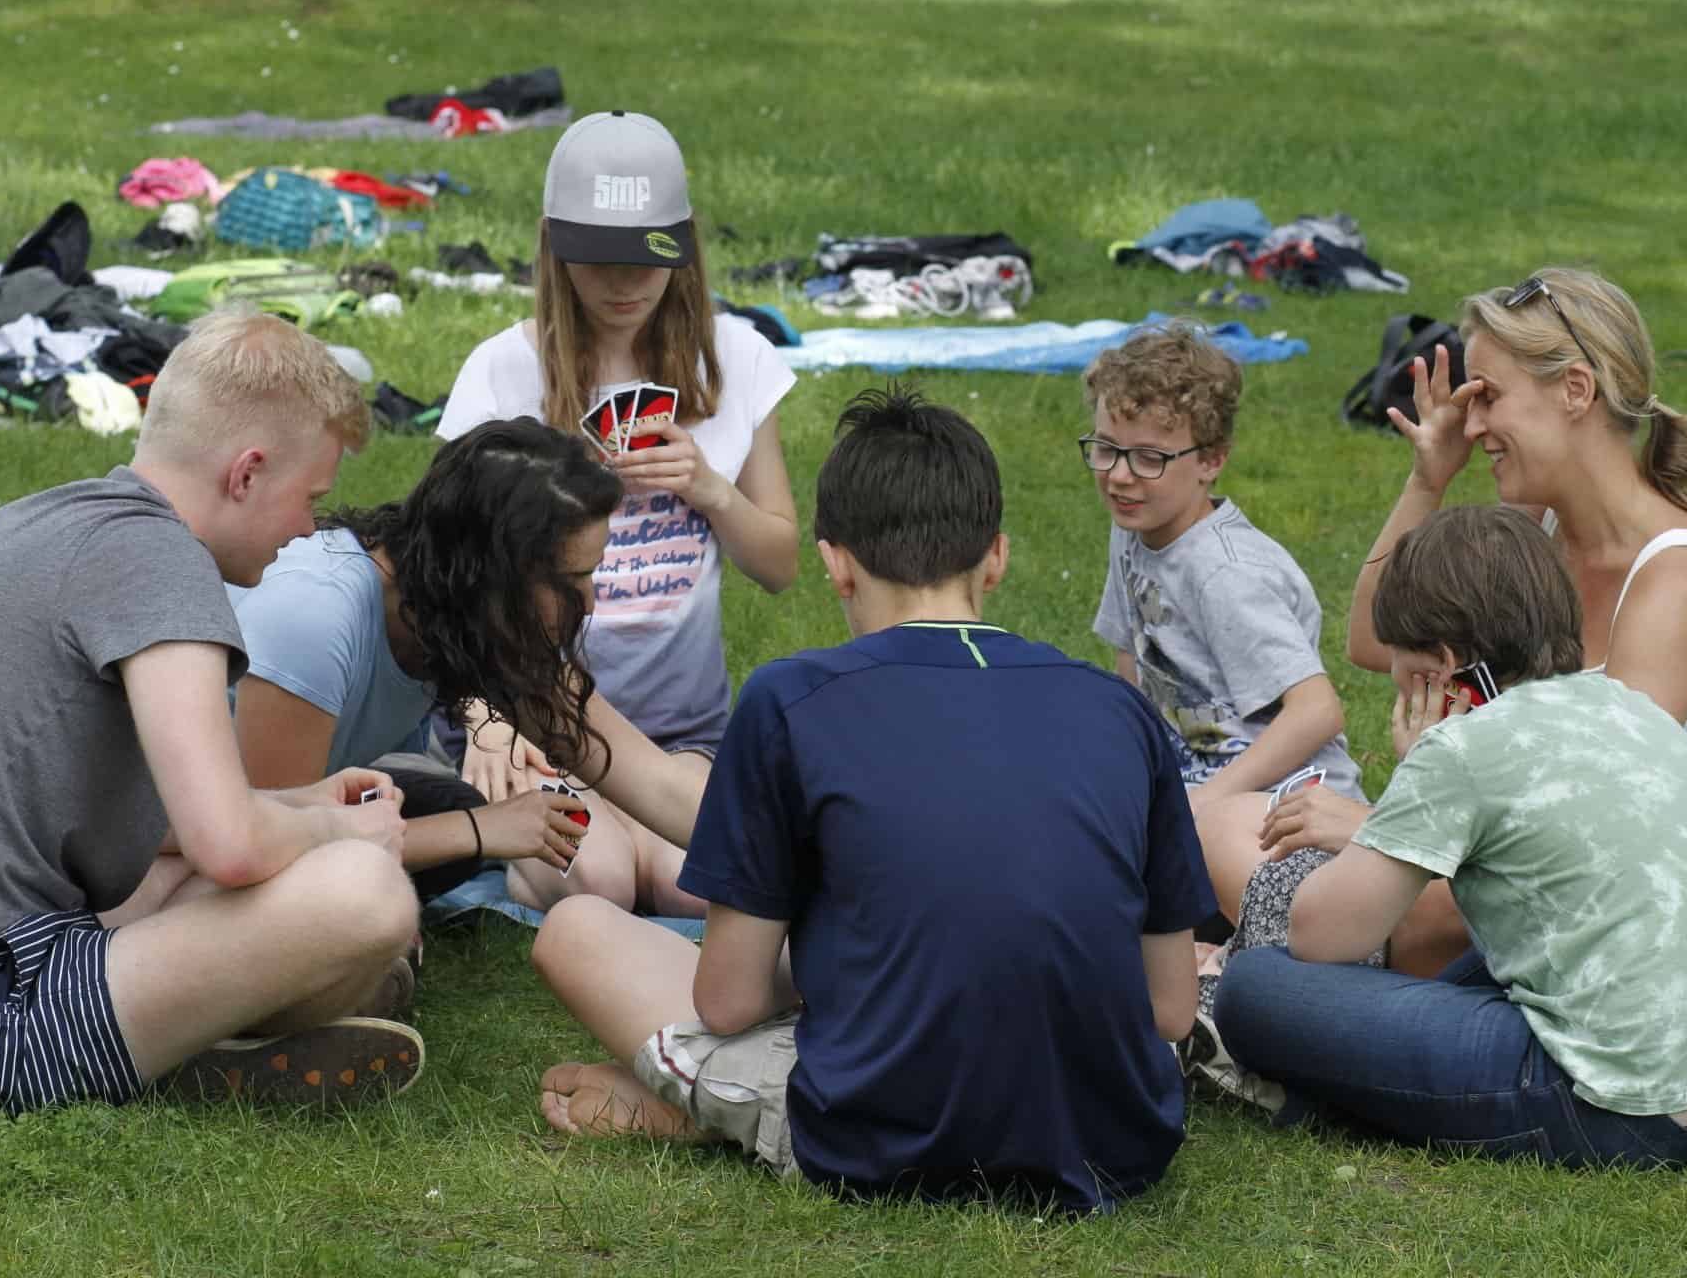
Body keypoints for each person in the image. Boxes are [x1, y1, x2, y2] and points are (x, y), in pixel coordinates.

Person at [531, 387, 1215, 1213]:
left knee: (575, 931)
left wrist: (858, 959)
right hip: (1117, 1138)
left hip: (874, 1137)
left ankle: (706, 1110)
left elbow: (727, 999)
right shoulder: (1120, 711)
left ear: (834, 562)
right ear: (995, 557)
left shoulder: (790, 700)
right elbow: (1172, 1010)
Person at [0, 307, 426, 1113]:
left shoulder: (67, 521)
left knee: (321, 899)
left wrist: (299, 804)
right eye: (309, 496)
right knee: (365, 894)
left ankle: (210, 1033)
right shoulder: (161, 562)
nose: (309, 526)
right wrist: (340, 832)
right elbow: (230, 848)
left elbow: (156, 824)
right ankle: (196, 1049)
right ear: (246, 474)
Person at [1198, 267, 1687, 975]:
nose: (1472, 427)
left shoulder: (1679, 579)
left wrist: (1384, 832)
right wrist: (1427, 478)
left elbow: (1603, 817)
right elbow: (1379, 640)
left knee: (1284, 922)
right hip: (1524, 866)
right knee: (1221, 822)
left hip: (1640, 918)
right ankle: (1296, 962)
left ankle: (1273, 974)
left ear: (1575, 391)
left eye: (1488, 398)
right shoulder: (1541, 532)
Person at [1211, 505, 1687, 1169]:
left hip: (1619, 1108)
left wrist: (1410, 779)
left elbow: (1321, 937)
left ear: (1440, 666)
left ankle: (1324, 1084)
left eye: (1401, 671)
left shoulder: (1462, 749)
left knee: (1253, 988)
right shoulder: (1624, 705)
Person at [436, 109, 798, 919]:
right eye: (600, 259)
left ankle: (631, 824)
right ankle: (559, 821)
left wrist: (711, 490)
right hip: (535, 712)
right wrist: (485, 714)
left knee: (689, 886)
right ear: (554, 247)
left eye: (650, 257)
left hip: (683, 732)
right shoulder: (502, 371)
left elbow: (779, 565)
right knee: (596, 878)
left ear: (685, 245)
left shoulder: (736, 359)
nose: (626, 282)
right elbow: (446, 578)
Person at [228, 419, 707, 910]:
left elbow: (661, 788)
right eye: (572, 580)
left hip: (300, 812)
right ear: (491, 575)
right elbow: (265, 844)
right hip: (187, 842)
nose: (588, 603)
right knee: (422, 842)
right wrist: (479, 830)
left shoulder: (472, 619)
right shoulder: (315, 614)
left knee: (433, 813)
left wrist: (780, 866)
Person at [1081, 323, 1361, 911]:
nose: (1120, 475)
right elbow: (1132, 662)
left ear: (1210, 460)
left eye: (1150, 457)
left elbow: (1316, 711)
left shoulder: (1225, 573)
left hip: (1281, 813)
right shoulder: (1133, 527)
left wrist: (1202, 805)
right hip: (1194, 785)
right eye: (1106, 448)